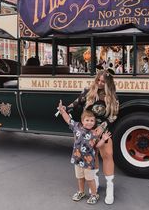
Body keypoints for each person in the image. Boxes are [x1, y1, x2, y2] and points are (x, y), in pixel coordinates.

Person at [59, 70, 119, 204]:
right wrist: (65, 109)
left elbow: (113, 115)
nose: (100, 83)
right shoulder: (88, 91)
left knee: (108, 155)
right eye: (98, 80)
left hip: (103, 130)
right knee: (92, 155)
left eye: (103, 82)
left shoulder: (112, 96)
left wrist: (102, 127)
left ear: (108, 83)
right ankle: (95, 182)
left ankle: (110, 186)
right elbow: (75, 104)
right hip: (86, 130)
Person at [58, 103, 111, 204]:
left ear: (94, 122)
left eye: (92, 121)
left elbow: (97, 146)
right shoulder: (77, 127)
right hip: (78, 159)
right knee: (80, 177)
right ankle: (81, 192)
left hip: (88, 161)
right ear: (82, 121)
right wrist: (63, 111)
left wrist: (103, 139)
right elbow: (68, 120)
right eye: (87, 120)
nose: (89, 123)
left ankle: (94, 194)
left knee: (90, 179)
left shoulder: (94, 133)